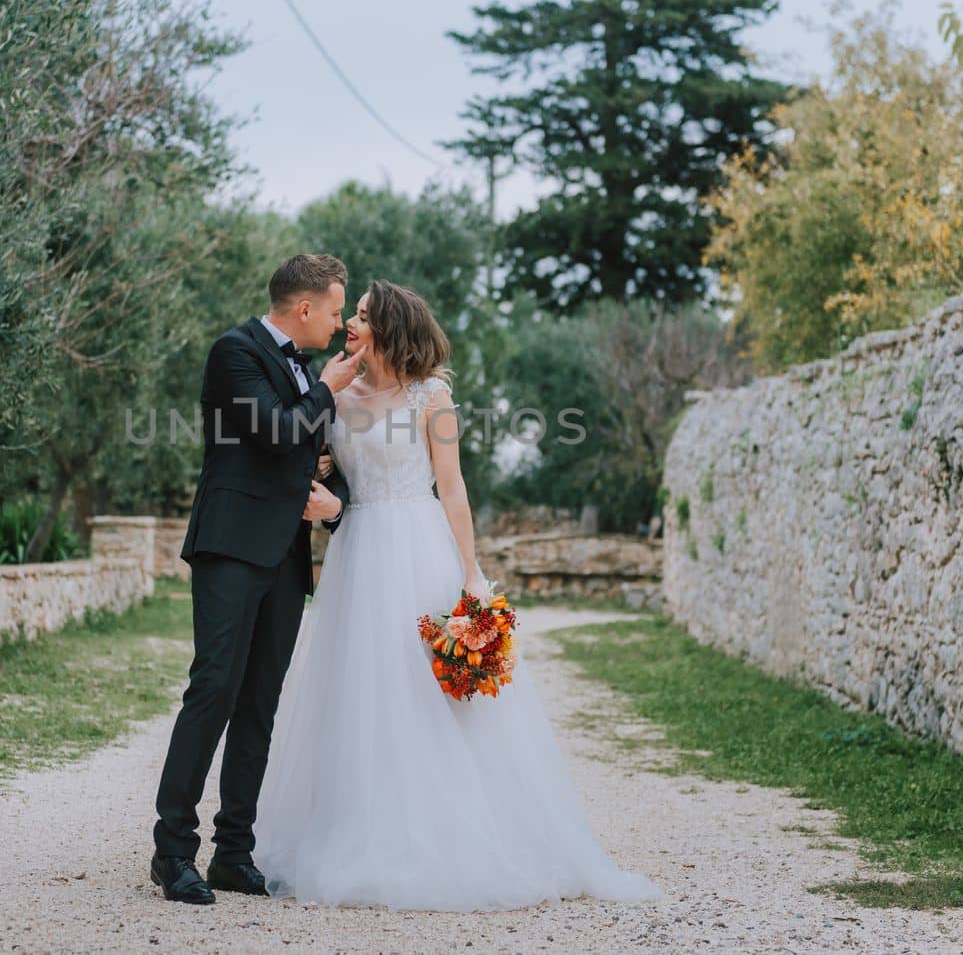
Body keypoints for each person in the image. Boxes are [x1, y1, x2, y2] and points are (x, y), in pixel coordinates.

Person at [251, 279, 660, 911]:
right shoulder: (334, 393)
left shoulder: (430, 394)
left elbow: (453, 487)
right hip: (358, 551)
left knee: (429, 688)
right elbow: (317, 469)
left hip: (418, 548)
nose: (350, 324)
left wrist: (471, 574)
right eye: (349, 314)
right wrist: (328, 493)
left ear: (391, 326)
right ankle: (362, 827)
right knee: (361, 688)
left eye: (362, 316)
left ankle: (454, 832)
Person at [150, 254, 365, 905]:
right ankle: (173, 853)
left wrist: (340, 500)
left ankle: (232, 853)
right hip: (232, 547)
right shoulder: (234, 353)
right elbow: (277, 434)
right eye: (333, 311)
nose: (336, 324)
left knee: (260, 704)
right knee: (213, 689)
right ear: (304, 309)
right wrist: (328, 388)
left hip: (287, 557)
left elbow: (318, 462)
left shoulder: (304, 370)